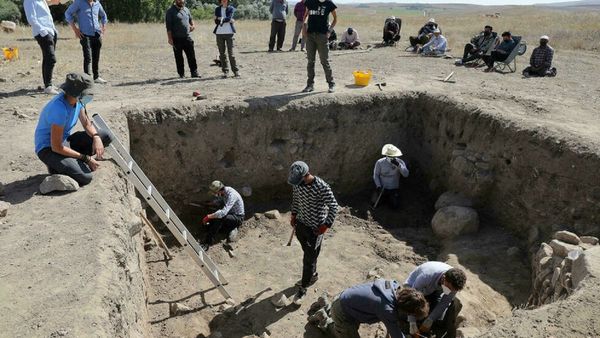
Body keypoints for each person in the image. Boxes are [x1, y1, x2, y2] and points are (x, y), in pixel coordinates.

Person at [34, 73, 111, 186]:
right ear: (78, 93)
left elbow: (86, 122)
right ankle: (55, 167)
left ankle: (70, 162)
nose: (90, 95)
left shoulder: (78, 101)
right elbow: (56, 147)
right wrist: (85, 158)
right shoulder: (59, 109)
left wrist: (96, 137)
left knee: (105, 136)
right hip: (49, 149)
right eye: (87, 93)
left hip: (65, 142)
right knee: (85, 177)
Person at [288, 161, 339, 305]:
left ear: (305, 175)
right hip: (301, 225)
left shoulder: (321, 187)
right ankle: (313, 274)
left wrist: (326, 225)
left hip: (315, 229)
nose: (296, 185)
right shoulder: (297, 184)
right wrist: (293, 215)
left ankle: (303, 288)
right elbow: (296, 200)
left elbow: (334, 206)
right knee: (309, 253)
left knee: (308, 259)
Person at [308, 282, 429, 338]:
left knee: (342, 321)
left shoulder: (394, 287)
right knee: (341, 332)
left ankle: (324, 303)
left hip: (347, 301)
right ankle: (323, 318)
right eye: (410, 314)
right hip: (343, 312)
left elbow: (393, 325)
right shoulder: (386, 309)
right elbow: (396, 333)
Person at [402, 262, 467, 338]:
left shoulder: (452, 284)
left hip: (433, 290)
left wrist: (430, 320)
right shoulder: (426, 276)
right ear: (443, 278)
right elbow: (411, 298)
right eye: (449, 288)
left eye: (452, 290)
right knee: (405, 312)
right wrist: (412, 322)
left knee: (438, 315)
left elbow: (444, 302)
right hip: (412, 288)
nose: (450, 291)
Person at [65, 0, 108, 84]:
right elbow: (67, 13)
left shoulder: (97, 3)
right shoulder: (79, 2)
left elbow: (103, 15)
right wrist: (75, 29)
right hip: (84, 34)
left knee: (96, 56)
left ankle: (96, 77)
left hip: (97, 33)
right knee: (87, 57)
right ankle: (87, 78)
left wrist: (104, 26)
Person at [24, 0, 61, 95]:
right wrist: (42, 30)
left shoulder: (42, 0)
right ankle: (48, 86)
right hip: (42, 32)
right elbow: (31, 18)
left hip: (51, 31)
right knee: (51, 59)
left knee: (47, 58)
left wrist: (54, 30)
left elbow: (47, 16)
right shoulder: (29, 1)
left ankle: (48, 84)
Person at [302, 0, 338, 93]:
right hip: (310, 35)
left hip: (322, 36)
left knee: (324, 61)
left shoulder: (329, 4)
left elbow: (335, 19)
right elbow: (305, 16)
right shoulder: (310, 2)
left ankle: (331, 83)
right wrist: (304, 27)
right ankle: (310, 85)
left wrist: (329, 31)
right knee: (310, 61)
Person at [200, 180, 245, 251]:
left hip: (237, 217)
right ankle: (215, 229)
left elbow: (223, 213)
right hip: (230, 213)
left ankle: (207, 243)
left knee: (220, 217)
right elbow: (220, 200)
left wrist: (208, 217)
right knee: (216, 217)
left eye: (215, 193)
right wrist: (211, 203)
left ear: (220, 190)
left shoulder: (232, 195)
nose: (215, 194)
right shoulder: (224, 192)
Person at [165, 0, 199, 78]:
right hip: (176, 38)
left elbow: (191, 19)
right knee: (179, 57)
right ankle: (181, 74)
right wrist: (170, 38)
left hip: (187, 37)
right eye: (179, 0)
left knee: (191, 56)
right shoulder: (170, 11)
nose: (181, 1)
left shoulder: (186, 9)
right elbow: (168, 27)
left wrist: (193, 25)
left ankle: (194, 72)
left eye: (182, 0)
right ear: (176, 1)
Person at [373, 144, 409, 209]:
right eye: (389, 156)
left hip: (393, 189)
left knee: (395, 206)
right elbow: (376, 175)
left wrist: (399, 166)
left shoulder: (400, 162)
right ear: (386, 155)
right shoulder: (380, 162)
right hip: (382, 188)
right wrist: (378, 186)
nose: (391, 158)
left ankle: (391, 199)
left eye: (393, 156)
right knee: (374, 202)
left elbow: (406, 174)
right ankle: (384, 198)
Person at [213, 0, 239, 78]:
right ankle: (225, 72)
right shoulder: (217, 9)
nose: (224, 1)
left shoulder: (231, 8)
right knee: (222, 53)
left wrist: (219, 18)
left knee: (231, 54)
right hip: (219, 33)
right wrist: (223, 19)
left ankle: (236, 71)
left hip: (229, 33)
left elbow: (229, 18)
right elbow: (216, 22)